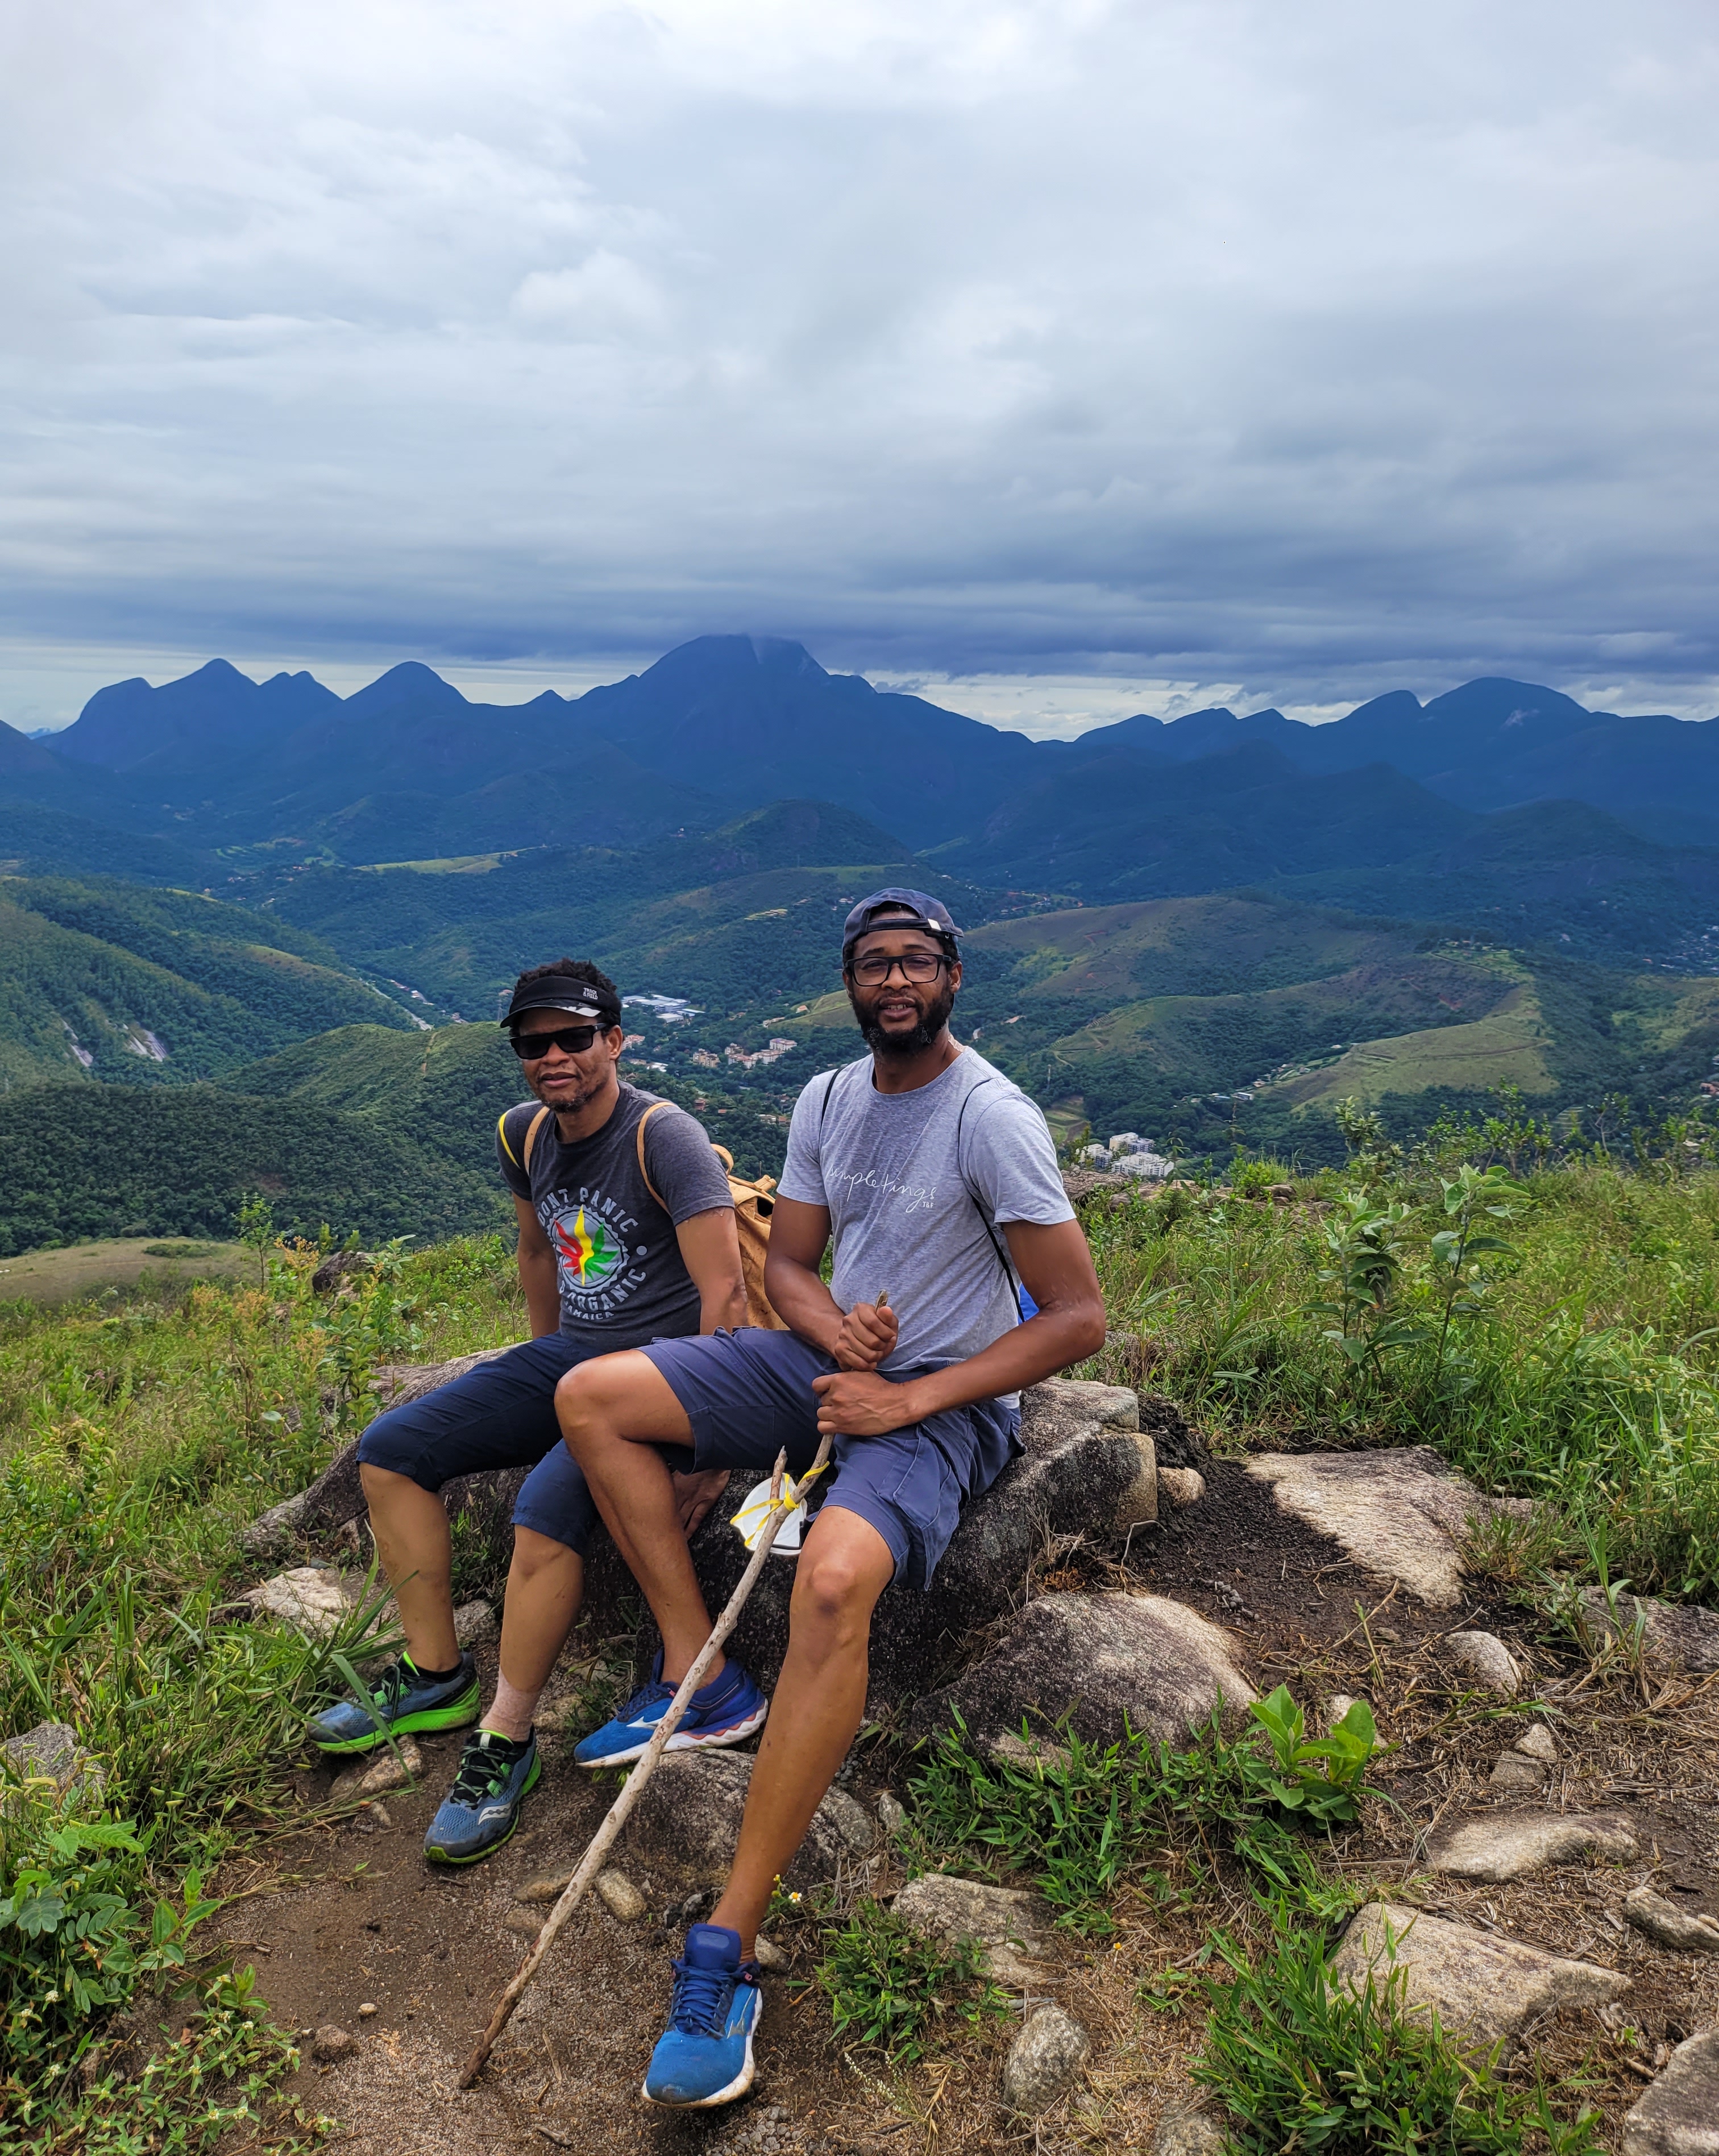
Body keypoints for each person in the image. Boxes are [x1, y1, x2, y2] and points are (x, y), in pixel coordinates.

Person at [555, 889, 1107, 2109]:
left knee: (840, 1575)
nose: (894, 981)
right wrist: (833, 1333)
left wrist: (907, 1403)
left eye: (916, 961)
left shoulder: (991, 1117)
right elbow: (792, 1266)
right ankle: (699, 1674)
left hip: (944, 1403)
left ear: (954, 977)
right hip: (834, 1370)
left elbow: (1078, 1316)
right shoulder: (826, 1099)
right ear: (850, 983)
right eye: (873, 964)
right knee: (593, 1398)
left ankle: (729, 1940)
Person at [307, 957, 750, 1865]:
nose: (554, 1057)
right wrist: (540, 1368)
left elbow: (728, 1295)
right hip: (575, 1361)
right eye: (532, 1042)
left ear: (614, 1041)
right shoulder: (523, 1135)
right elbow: (539, 1253)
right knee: (390, 1451)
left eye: (575, 1038)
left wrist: (711, 1443)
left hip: (663, 1381)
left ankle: (505, 1739)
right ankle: (435, 1672)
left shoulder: (665, 1138)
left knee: (542, 1517)